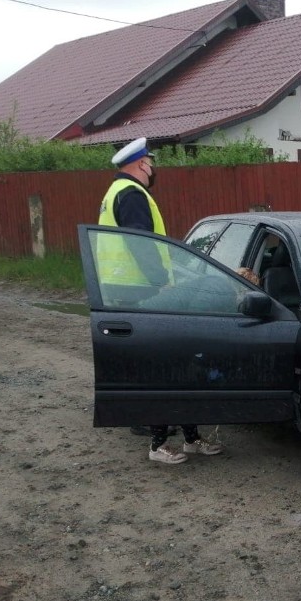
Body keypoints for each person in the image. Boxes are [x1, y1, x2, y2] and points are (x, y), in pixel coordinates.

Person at [99, 137, 223, 465]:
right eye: (151, 163)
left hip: (124, 290)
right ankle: (158, 444)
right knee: (166, 367)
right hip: (142, 292)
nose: (153, 169)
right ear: (142, 164)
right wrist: (159, 286)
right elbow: (140, 244)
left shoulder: (115, 192)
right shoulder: (132, 194)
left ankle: (190, 437)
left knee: (169, 363)